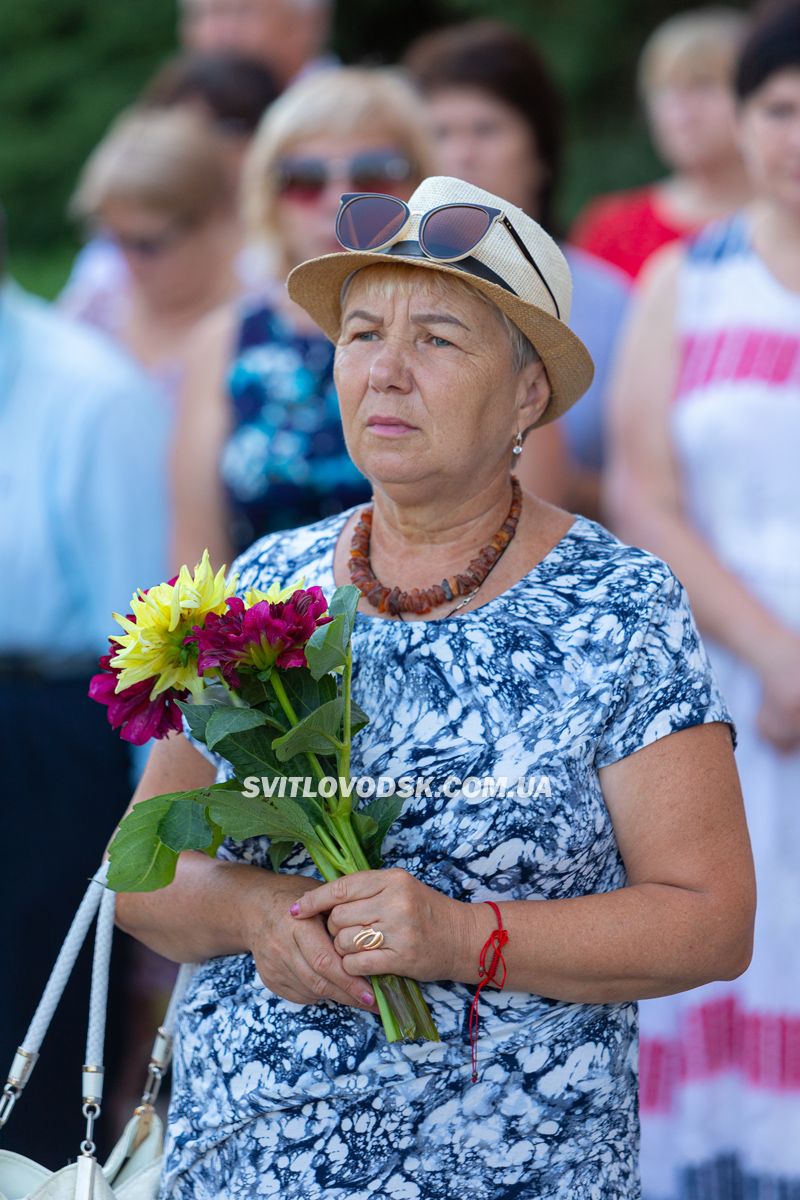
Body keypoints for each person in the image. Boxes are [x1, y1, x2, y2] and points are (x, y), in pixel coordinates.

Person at [114, 176, 755, 1198]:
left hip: (511, 1168)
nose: (386, 373)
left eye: (439, 341)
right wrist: (256, 915)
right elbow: (140, 876)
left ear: (527, 393)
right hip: (244, 1159)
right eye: (361, 333)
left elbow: (709, 920)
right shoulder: (264, 586)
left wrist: (467, 938)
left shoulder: (617, 607)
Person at [606, 5, 800, 1195]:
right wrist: (776, 656)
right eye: (778, 107)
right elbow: (641, 487)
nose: (797, 135)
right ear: (737, 119)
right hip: (723, 678)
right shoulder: (686, 277)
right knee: (735, 936)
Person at [0, 206, 170, 1167]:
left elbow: (140, 638)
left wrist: (152, 836)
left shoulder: (94, 394)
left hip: (46, 729)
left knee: (33, 1039)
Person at [173, 66, 434, 569]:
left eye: (371, 174)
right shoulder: (224, 341)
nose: (338, 200)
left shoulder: (482, 328)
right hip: (263, 643)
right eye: (303, 180)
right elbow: (194, 562)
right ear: (268, 198)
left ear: (420, 186)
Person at [405, 19, 631, 518]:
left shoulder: (612, 301)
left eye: (486, 129)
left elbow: (648, 488)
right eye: (440, 132)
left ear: (541, 152)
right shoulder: (382, 295)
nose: (462, 153)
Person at [66, 107, 244, 404]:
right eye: (113, 239)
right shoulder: (97, 300)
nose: (127, 261)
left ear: (213, 220)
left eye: (148, 245)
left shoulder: (258, 317)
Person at [571, 8, 751, 280]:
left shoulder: (786, 222)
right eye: (664, 89)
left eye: (703, 85)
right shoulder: (612, 230)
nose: (681, 110)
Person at [178, 0, 335, 87]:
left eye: (241, 11)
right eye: (203, 14)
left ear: (306, 23)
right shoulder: (180, 112)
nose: (219, 31)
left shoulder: (347, 120)